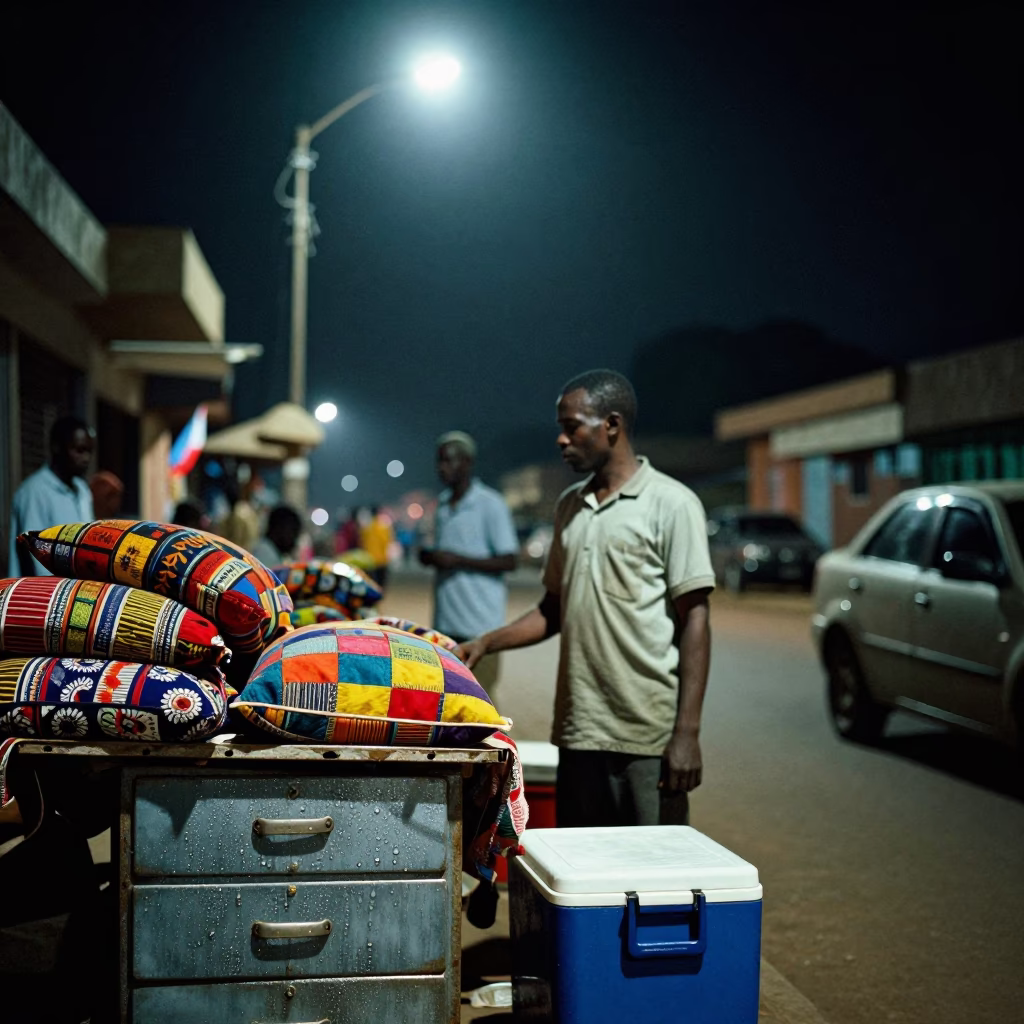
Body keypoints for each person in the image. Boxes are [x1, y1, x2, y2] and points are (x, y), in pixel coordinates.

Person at [456, 370, 714, 828]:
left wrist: (687, 734)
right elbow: (551, 610)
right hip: (579, 733)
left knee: (653, 877)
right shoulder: (569, 507)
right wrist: (487, 642)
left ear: (611, 425)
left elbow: (696, 619)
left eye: (572, 425)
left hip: (645, 736)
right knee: (587, 875)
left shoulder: (672, 504)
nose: (561, 439)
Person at [419, 431, 519, 694]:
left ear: (467, 462)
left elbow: (509, 560)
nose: (442, 468)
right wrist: (430, 556)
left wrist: (457, 560)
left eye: (449, 461)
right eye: (439, 461)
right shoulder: (441, 506)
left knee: (480, 699)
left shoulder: (490, 504)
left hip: (480, 627)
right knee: (449, 699)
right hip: (445, 623)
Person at [8, 415, 95, 577]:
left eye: (89, 451)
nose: (86, 459)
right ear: (57, 447)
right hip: (46, 596)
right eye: (79, 450)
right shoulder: (34, 492)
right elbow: (35, 558)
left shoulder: (82, 491)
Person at [359, 507, 395, 588]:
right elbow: (387, 542)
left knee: (372, 580)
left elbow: (362, 541)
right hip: (381, 559)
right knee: (381, 580)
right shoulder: (383, 527)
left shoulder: (367, 527)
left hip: (370, 559)